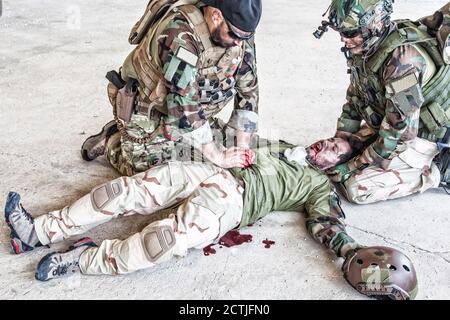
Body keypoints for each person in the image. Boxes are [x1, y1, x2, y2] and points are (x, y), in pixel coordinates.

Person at [4, 138, 419, 299]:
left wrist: (351, 252)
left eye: (334, 149)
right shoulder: (287, 147)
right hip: (210, 169)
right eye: (329, 139)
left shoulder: (319, 187)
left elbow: (327, 225)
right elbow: (228, 139)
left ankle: (82, 258)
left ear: (337, 165)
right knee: (124, 191)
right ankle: (37, 231)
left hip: (231, 201)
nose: (325, 144)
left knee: (159, 244)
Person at [81, 0, 261, 176]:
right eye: (235, 36)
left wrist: (241, 146)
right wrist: (218, 156)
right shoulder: (180, 33)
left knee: (218, 150)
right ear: (216, 16)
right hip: (149, 108)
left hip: (188, 108)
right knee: (154, 172)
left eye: (245, 37)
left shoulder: (238, 30)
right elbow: (183, 103)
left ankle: (189, 138)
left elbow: (249, 88)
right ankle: (113, 139)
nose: (240, 43)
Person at [313, 0, 450, 204]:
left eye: (350, 33)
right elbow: (355, 98)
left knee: (357, 189)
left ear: (373, 25)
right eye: (340, 32)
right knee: (333, 157)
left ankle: (441, 169)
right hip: (391, 119)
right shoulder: (367, 47)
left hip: (421, 134)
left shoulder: (403, 63)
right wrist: (343, 141)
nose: (344, 39)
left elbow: (401, 132)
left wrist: (354, 165)